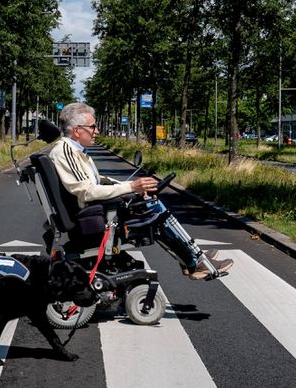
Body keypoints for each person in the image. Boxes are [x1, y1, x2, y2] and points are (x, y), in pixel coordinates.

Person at [46, 102, 233, 280]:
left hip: (95, 210)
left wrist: (133, 188)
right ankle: (194, 261)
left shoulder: (75, 150)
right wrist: (131, 187)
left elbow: (98, 180)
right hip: (91, 214)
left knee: (153, 206)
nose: (97, 131)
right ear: (78, 130)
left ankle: (193, 257)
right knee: (155, 212)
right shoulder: (66, 151)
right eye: (93, 127)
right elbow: (86, 191)